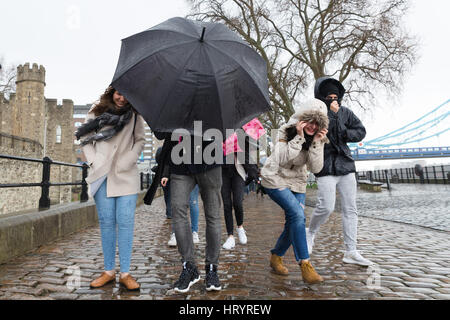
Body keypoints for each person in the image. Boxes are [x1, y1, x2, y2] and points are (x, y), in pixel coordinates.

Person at [76, 86, 146, 290]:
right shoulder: (96, 112)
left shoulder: (134, 115)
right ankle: (108, 271)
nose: (122, 98)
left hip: (126, 175)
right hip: (102, 174)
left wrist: (130, 159)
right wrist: (94, 161)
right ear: (111, 92)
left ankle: (125, 273)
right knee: (106, 222)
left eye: (126, 94)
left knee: (125, 222)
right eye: (118, 93)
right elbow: (84, 138)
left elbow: (140, 140)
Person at [260, 98, 328, 284]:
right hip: (274, 177)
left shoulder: (318, 138)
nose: (313, 126)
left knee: (293, 222)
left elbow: (316, 168)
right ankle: (305, 264)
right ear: (301, 119)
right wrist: (298, 136)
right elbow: (282, 157)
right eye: (310, 121)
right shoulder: (284, 130)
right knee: (298, 215)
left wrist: (316, 143)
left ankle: (276, 256)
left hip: (297, 183)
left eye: (317, 123)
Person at [306, 77, 373, 267]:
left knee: (350, 208)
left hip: (345, 164)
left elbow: (360, 131)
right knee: (326, 206)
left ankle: (351, 251)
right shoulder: (315, 114)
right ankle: (310, 232)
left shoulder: (346, 112)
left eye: (336, 96)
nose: (333, 100)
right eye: (329, 97)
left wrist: (345, 132)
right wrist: (333, 116)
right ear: (322, 97)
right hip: (326, 165)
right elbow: (321, 134)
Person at [151, 131, 223, 293]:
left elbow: (225, 131)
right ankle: (189, 267)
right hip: (181, 163)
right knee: (177, 210)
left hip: (210, 161)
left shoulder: (215, 106)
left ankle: (212, 268)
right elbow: (162, 134)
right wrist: (166, 171)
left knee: (213, 215)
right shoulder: (175, 106)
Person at [221, 137, 259, 250]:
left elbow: (253, 145)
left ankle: (240, 227)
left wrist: (239, 145)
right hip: (222, 172)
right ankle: (230, 236)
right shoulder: (217, 131)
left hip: (238, 170)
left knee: (237, 202)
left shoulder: (241, 131)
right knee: (227, 204)